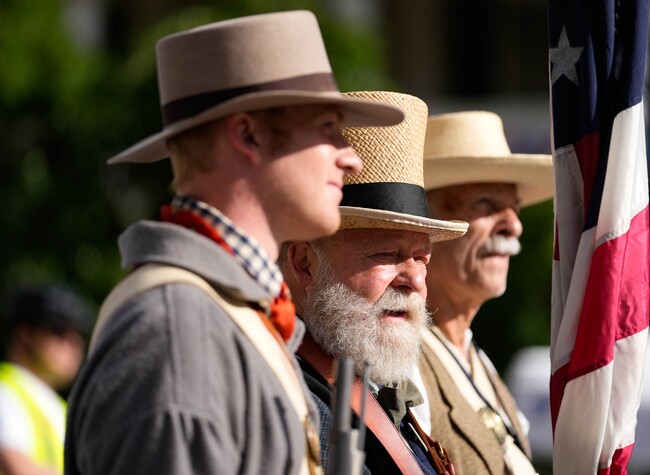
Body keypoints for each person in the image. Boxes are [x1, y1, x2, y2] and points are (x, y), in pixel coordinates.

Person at [64, 11, 404, 475]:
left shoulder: (217, 315)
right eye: (326, 128)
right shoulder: (181, 333)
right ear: (247, 135)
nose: (351, 159)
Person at [281, 91, 469, 475]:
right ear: (304, 263)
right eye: (385, 254)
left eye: (421, 258)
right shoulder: (294, 402)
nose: (414, 279)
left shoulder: (365, 385)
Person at [410, 110, 554, 475]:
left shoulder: (479, 362)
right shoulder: (399, 365)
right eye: (487, 205)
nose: (514, 225)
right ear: (428, 226)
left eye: (515, 208)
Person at [0, 284, 90, 475]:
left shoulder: (58, 407)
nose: (74, 343)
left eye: (76, 333)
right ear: (26, 335)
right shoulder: (4, 391)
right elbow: (15, 468)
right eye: (60, 331)